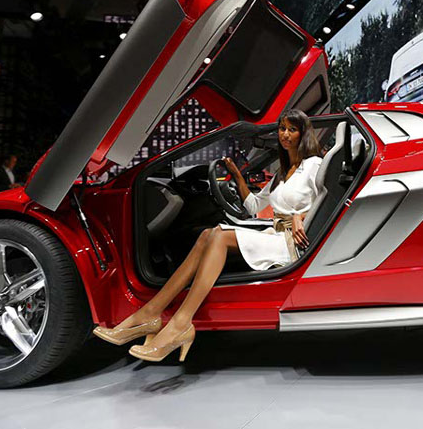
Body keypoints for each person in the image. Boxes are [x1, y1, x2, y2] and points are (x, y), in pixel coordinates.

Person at [93, 109, 323, 362]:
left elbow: (328, 199)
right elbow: (254, 206)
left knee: (219, 236)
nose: (285, 134)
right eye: (282, 128)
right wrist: (236, 176)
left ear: (304, 133)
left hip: (291, 243)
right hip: (274, 233)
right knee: (207, 235)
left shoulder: (314, 165)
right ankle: (151, 312)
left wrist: (300, 216)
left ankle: (180, 322)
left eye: (292, 129)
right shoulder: (282, 172)